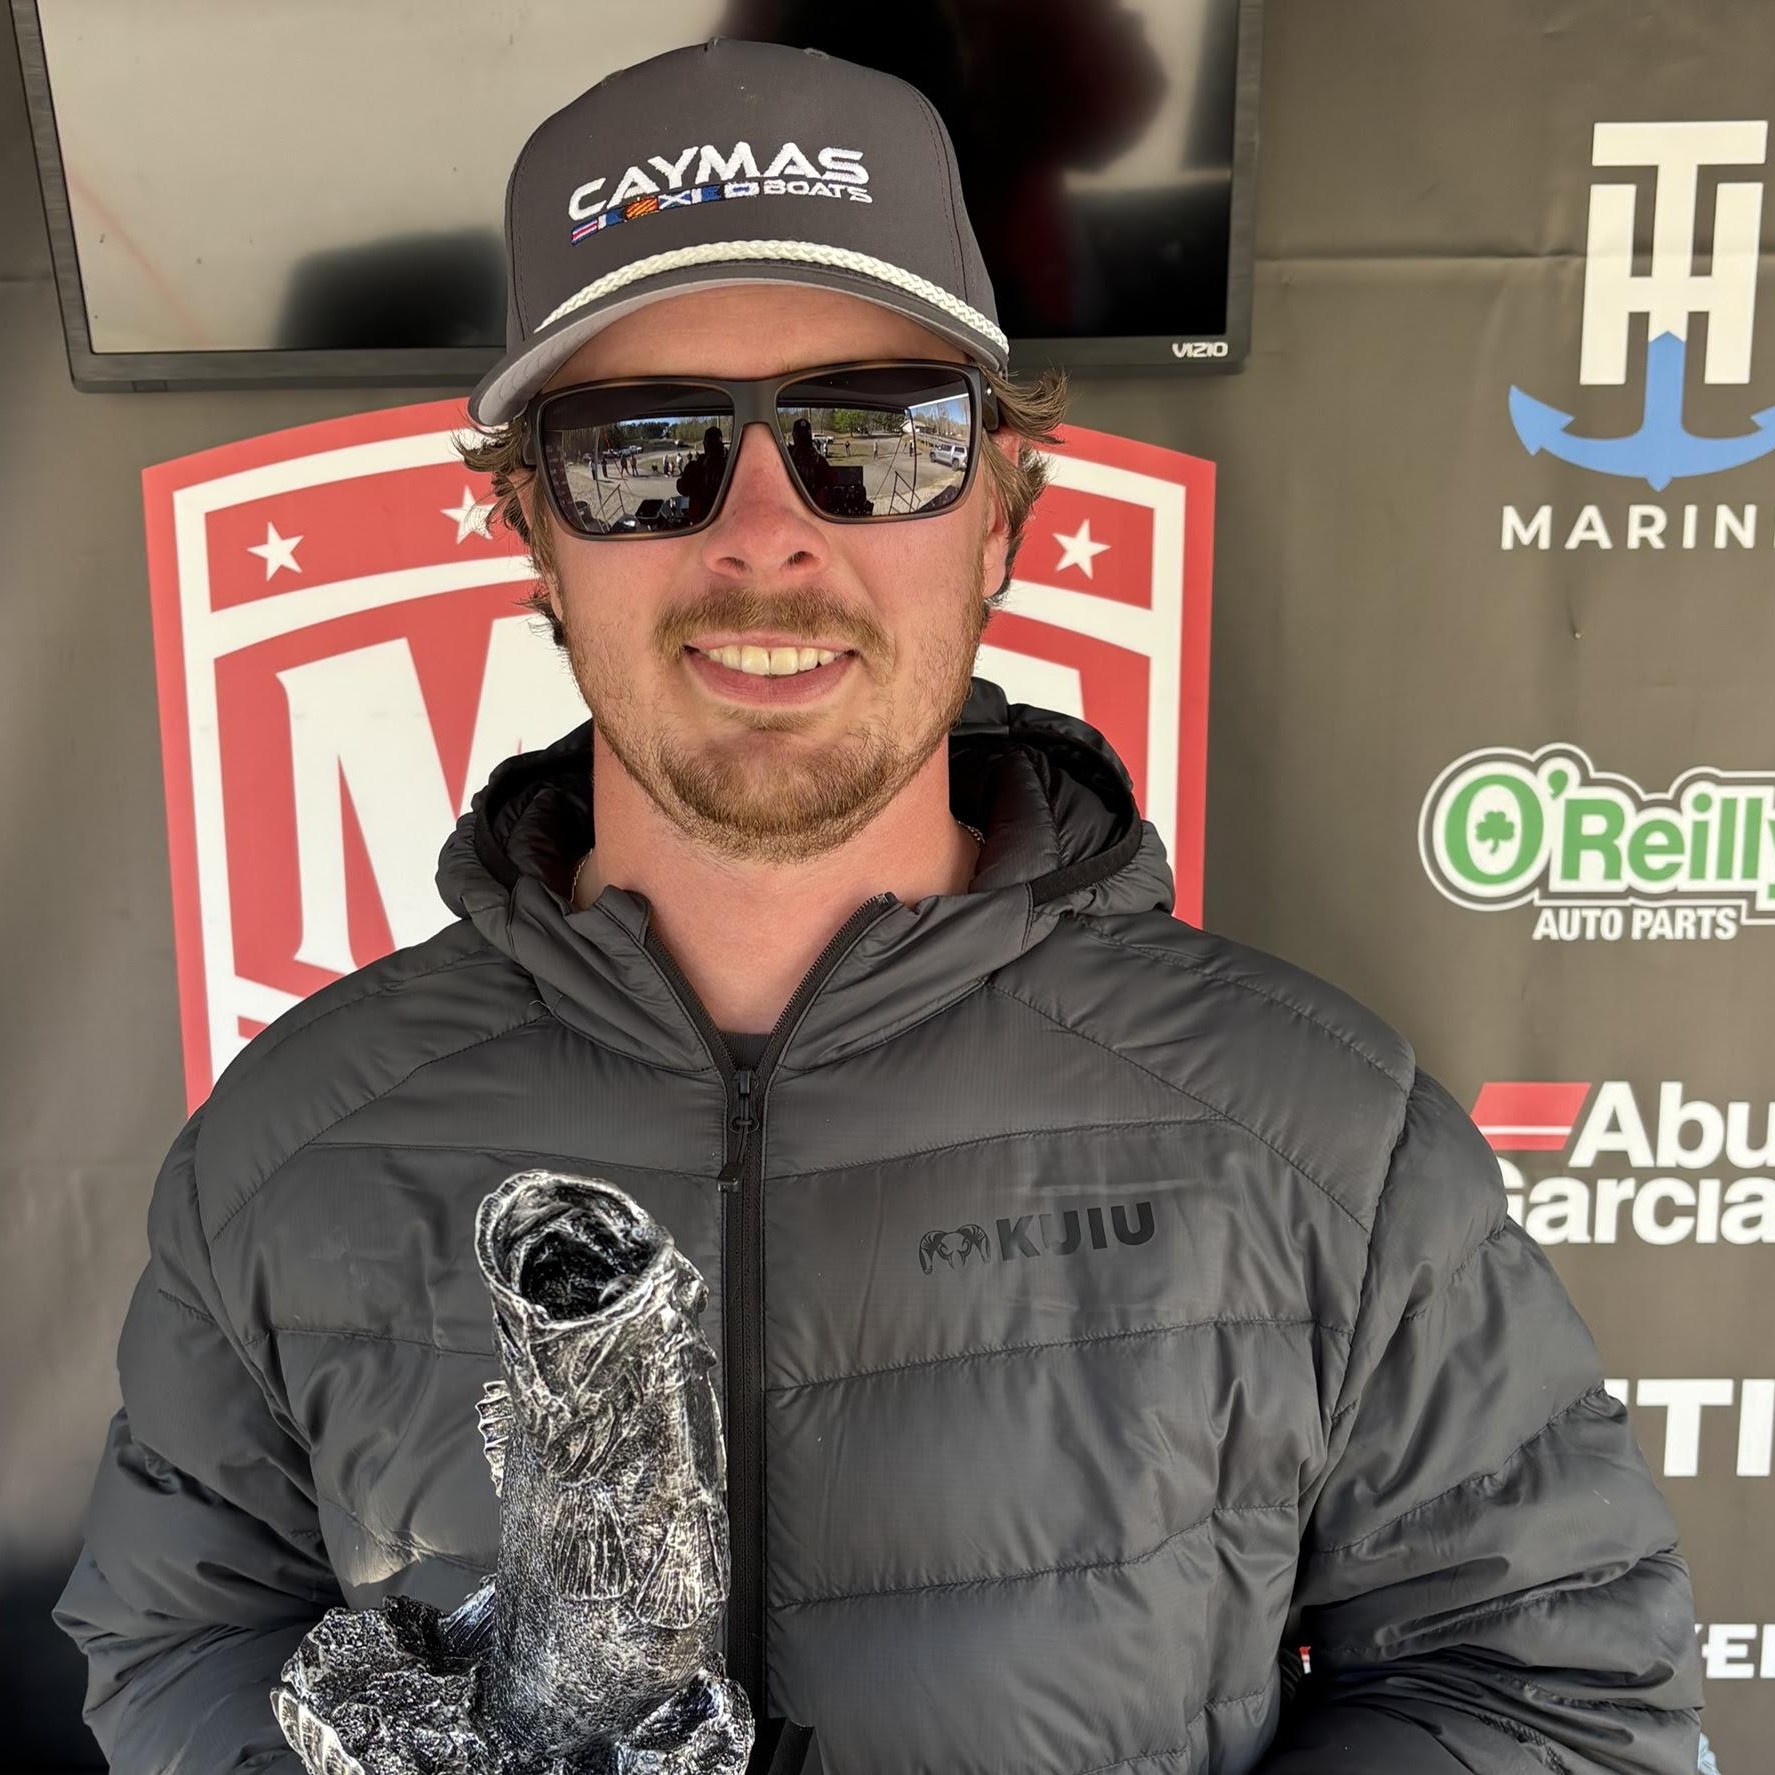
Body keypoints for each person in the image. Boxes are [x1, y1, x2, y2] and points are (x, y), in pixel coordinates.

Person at [55, 38, 1703, 1775]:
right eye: (645, 450)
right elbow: (179, 1643)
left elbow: (1552, 1692)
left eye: (875, 434)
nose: (766, 535)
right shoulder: (288, 1147)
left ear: (1001, 512)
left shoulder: (1324, 1139)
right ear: (535, 530)